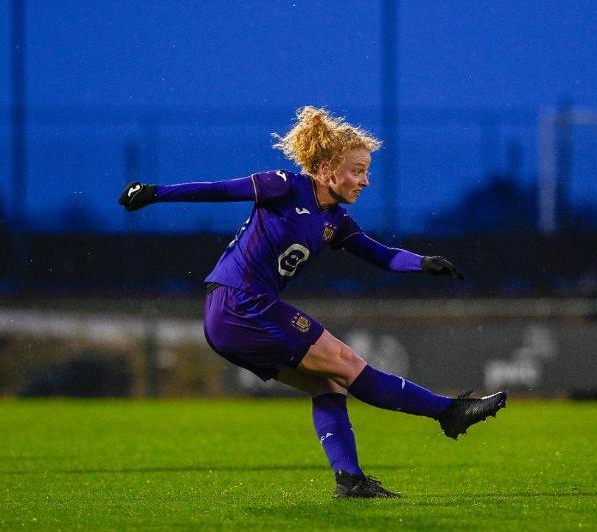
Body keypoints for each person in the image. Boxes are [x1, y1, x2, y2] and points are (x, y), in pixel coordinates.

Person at [118, 106, 507, 499]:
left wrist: (423, 263)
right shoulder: (284, 185)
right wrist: (153, 193)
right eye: (357, 170)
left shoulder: (336, 221)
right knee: (349, 364)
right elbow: (219, 190)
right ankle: (448, 412)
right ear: (324, 169)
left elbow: (383, 256)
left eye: (366, 171)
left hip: (235, 315)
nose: (365, 181)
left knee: (329, 383)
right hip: (240, 303)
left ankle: (350, 480)